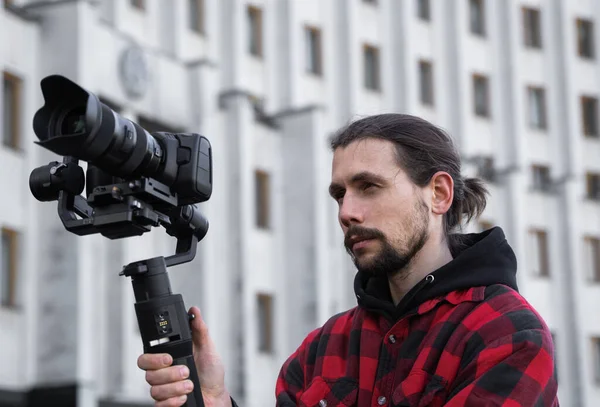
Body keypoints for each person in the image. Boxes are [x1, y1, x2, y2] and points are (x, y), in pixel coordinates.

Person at [137, 114, 559, 407]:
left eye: (369, 187)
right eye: (340, 194)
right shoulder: (324, 347)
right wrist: (215, 401)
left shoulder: (507, 335)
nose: (346, 212)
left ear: (438, 194)